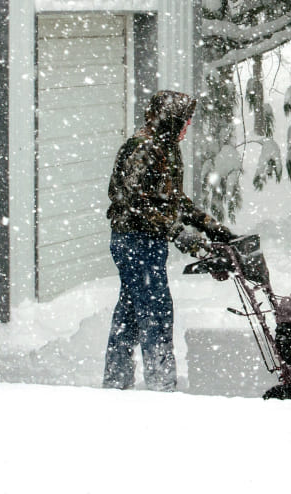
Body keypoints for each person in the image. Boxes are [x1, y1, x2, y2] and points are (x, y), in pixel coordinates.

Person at [102, 90, 235, 391]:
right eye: (184, 121)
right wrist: (178, 233)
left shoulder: (167, 147)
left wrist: (210, 226)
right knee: (156, 312)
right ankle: (161, 388)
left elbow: (172, 199)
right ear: (170, 121)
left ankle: (116, 382)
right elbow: (136, 202)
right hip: (133, 240)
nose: (188, 127)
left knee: (132, 312)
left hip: (150, 240)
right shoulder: (143, 149)